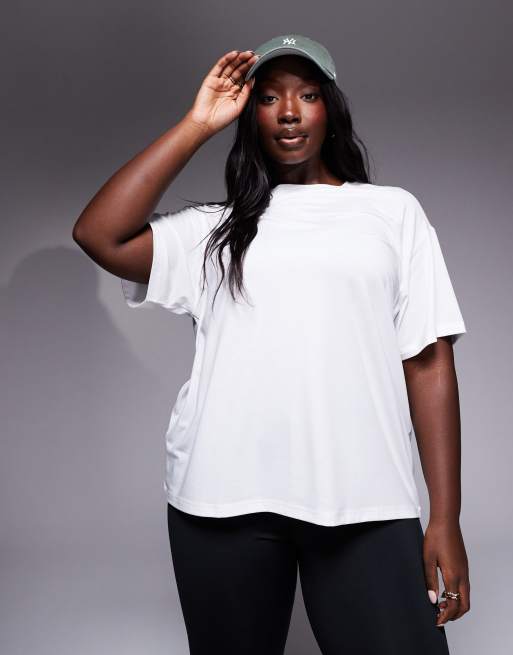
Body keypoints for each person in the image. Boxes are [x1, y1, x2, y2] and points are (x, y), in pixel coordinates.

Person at [73, 34, 470, 655]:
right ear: (250, 114)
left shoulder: (391, 214)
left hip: (365, 498)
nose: (289, 112)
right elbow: (99, 233)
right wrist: (197, 124)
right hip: (221, 497)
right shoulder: (214, 229)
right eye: (268, 98)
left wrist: (445, 516)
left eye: (307, 95)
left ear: (330, 108)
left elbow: (428, 362)